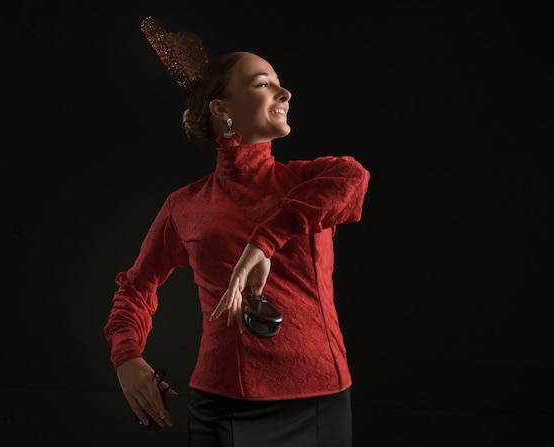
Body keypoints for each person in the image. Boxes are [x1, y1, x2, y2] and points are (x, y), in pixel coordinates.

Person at [103, 16, 370, 447]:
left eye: (280, 83)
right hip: (225, 403)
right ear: (222, 109)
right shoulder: (184, 205)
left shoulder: (308, 182)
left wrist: (263, 242)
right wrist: (126, 358)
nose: (285, 93)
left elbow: (354, 180)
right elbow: (134, 290)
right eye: (264, 84)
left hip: (321, 399)